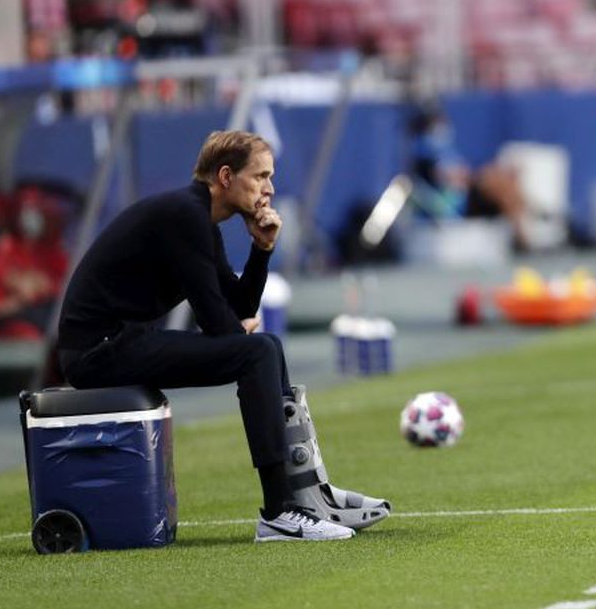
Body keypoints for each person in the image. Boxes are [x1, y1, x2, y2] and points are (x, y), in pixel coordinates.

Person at [56, 130, 389, 542]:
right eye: (261, 176)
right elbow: (220, 323)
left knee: (262, 348)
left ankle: (308, 492)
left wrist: (262, 249)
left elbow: (240, 309)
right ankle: (280, 512)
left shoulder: (199, 221)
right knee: (259, 353)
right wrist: (236, 330)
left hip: (119, 342)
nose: (269, 188)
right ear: (227, 176)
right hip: (99, 351)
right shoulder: (184, 216)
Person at [409, 107, 531, 249]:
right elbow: (452, 177)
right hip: (457, 205)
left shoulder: (448, 150)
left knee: (506, 182)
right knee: (496, 181)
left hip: (468, 196)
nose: (443, 129)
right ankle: (523, 236)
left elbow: (461, 173)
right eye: (438, 125)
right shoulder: (425, 153)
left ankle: (523, 232)